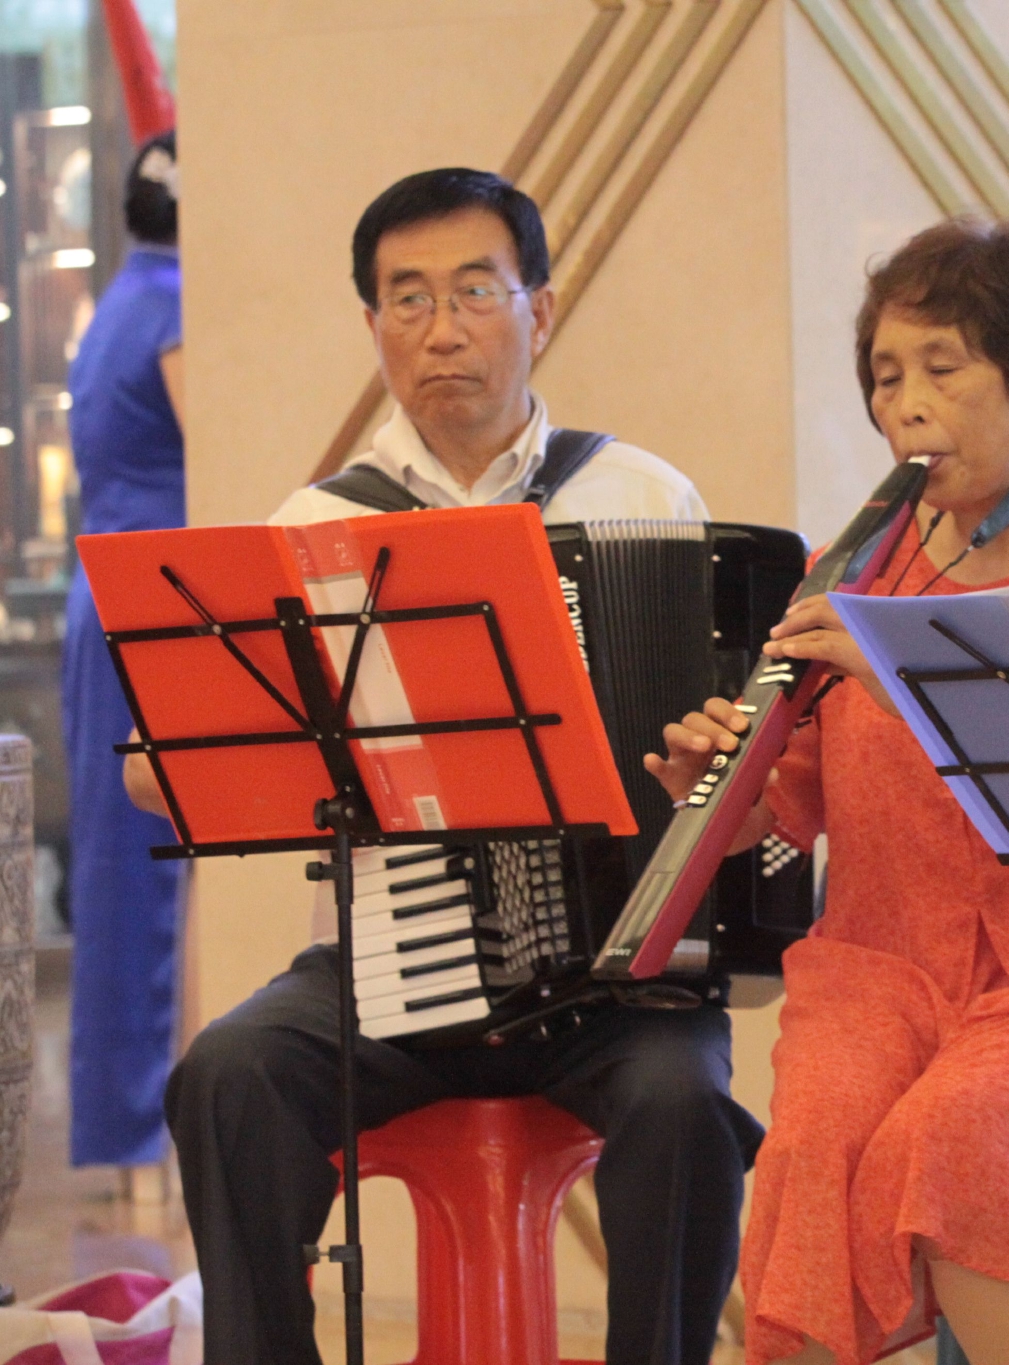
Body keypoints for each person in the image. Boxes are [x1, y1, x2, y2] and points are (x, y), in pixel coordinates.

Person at [130, 168, 756, 1365]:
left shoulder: (642, 497)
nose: (442, 327)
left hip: (609, 978)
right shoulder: (313, 523)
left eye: (476, 290)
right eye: (405, 299)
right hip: (390, 963)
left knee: (685, 1104)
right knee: (228, 1072)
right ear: (372, 328)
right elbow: (217, 759)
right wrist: (188, 764)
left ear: (540, 311)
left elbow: (727, 756)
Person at [646, 216, 1009, 1365]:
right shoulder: (858, 564)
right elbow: (786, 804)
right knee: (811, 1150)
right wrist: (718, 785)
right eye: (883, 375)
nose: (902, 403)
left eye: (939, 369)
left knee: (957, 1139)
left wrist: (908, 667)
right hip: (881, 969)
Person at [62, 129, 187, 1177]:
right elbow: (218, 440)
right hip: (151, 605)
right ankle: (136, 1134)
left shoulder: (120, 302)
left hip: (98, 593)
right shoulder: (180, 306)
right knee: (143, 877)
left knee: (119, 872)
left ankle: (117, 1133)